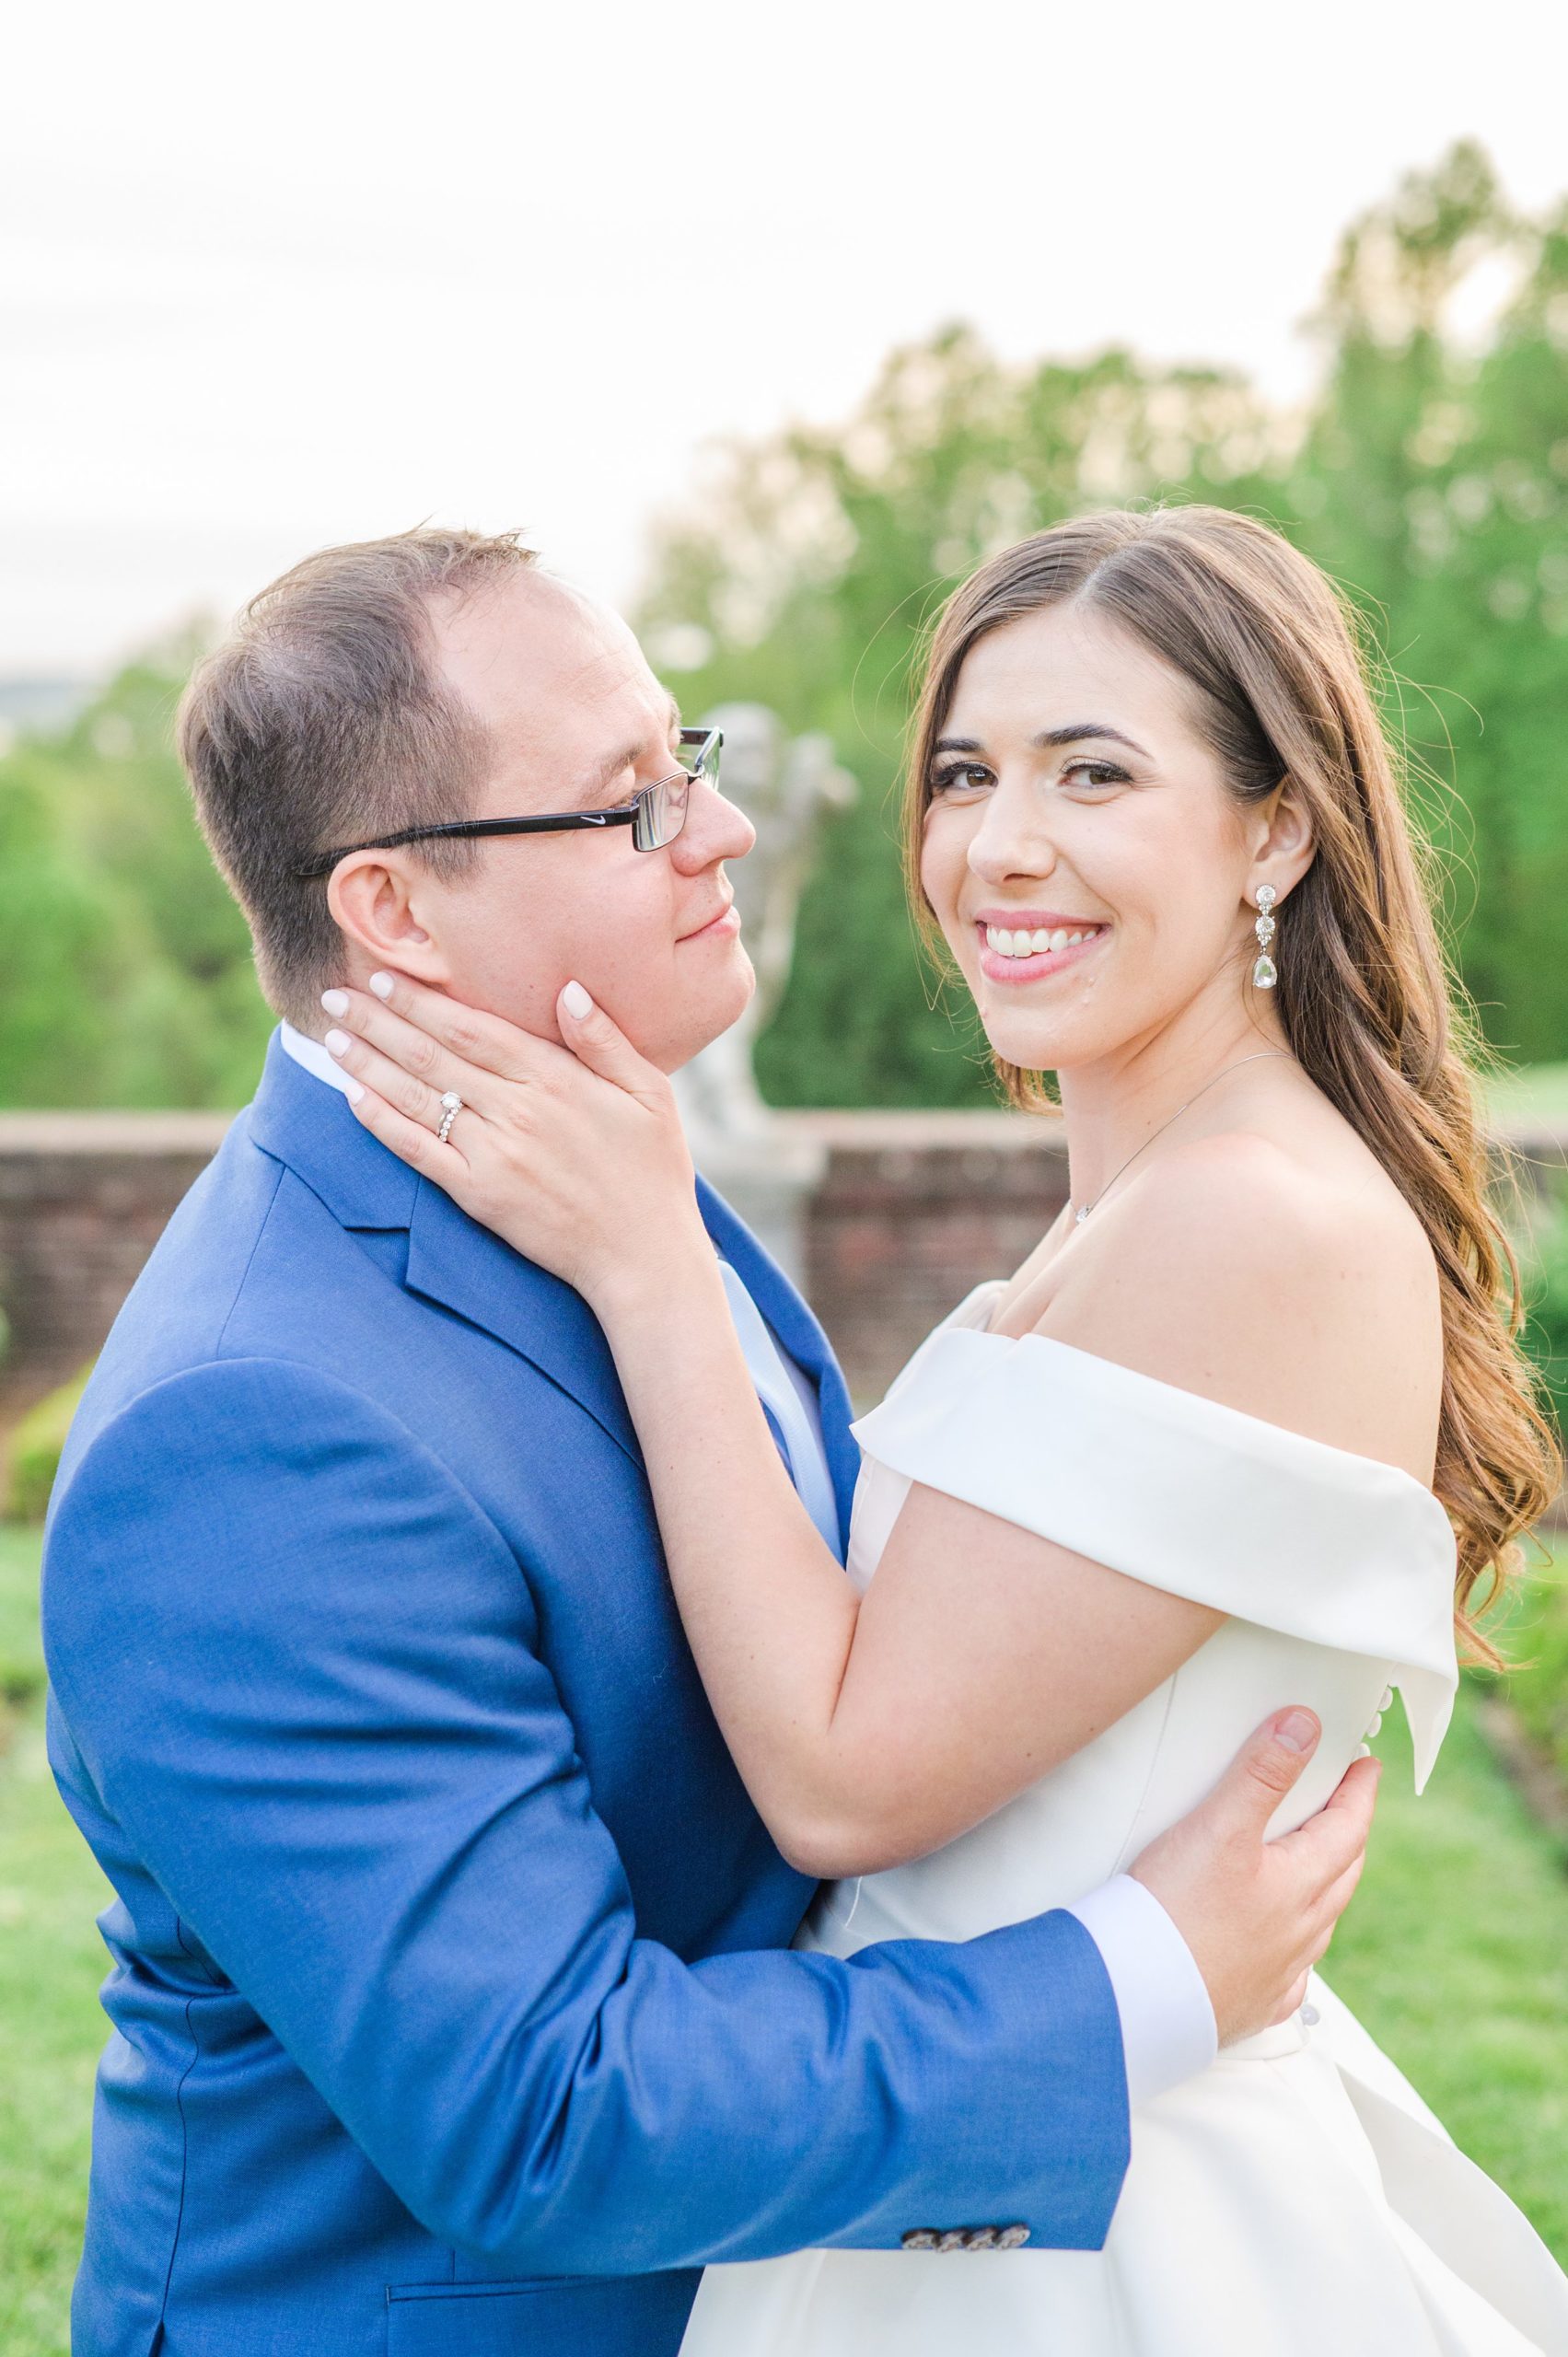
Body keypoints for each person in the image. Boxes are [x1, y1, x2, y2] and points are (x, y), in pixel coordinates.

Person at [40, 528, 1372, 2357]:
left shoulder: (609, 1165)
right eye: (625, 803)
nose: (721, 831)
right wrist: (1142, 1975)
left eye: (691, 766)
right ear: (395, 913)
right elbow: (552, 2108)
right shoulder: (255, 1433)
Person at [327, 509, 1568, 2355]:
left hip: (1105, 2243)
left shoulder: (1256, 1221)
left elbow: (844, 1776)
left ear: (1278, 827)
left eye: (1096, 773)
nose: (1001, 845)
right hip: (987, 2161)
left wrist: (651, 1255)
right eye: (967, 771)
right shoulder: (1141, 1199)